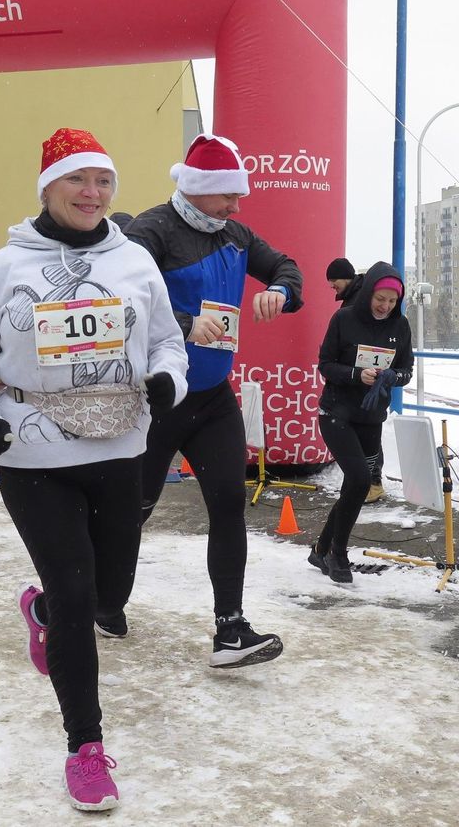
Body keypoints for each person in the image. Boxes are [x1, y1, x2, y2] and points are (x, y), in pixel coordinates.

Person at [0, 128, 188, 810]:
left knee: (109, 597)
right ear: (48, 189)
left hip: (119, 446)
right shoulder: (2, 268)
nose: (92, 193)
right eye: (77, 181)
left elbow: (167, 342)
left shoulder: (136, 261)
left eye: (103, 182)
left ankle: (42, 610)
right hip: (31, 451)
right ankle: (86, 746)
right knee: (81, 600)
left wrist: (168, 376)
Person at [126, 132, 303, 668]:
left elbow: (285, 265)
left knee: (228, 503)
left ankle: (230, 629)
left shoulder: (236, 232)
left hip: (213, 399)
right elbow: (121, 304)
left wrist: (280, 290)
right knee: (133, 510)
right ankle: (97, 599)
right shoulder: (150, 231)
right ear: (199, 189)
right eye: (228, 194)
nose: (237, 205)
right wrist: (181, 324)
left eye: (238, 196)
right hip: (158, 399)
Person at [307, 262, 413, 583]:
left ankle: (321, 548)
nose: (385, 306)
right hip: (337, 414)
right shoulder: (344, 319)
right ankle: (338, 552)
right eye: (380, 299)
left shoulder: (401, 326)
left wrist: (393, 376)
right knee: (359, 480)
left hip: (371, 418)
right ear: (368, 294)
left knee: (354, 488)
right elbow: (325, 364)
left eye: (392, 301)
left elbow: (407, 371)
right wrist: (356, 374)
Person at [325, 257, 387, 504]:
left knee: (368, 432)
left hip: (367, 380)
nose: (331, 286)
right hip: (355, 378)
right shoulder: (351, 300)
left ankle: (372, 483)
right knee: (362, 432)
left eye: (334, 281)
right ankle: (363, 482)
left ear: (345, 277)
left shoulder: (361, 300)